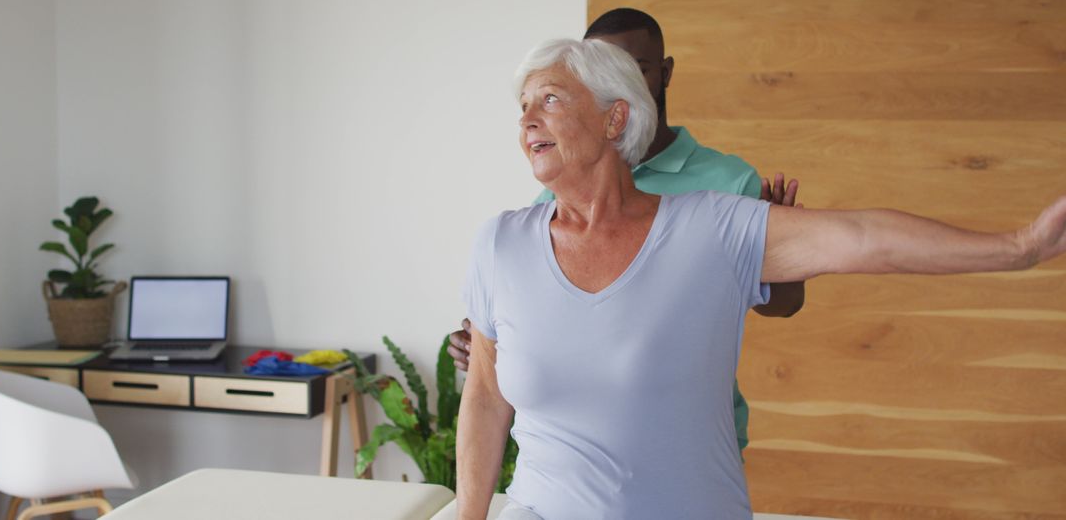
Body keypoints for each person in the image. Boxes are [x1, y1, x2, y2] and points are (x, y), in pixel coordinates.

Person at [456, 38, 1066, 519]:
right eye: (524, 108)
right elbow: (485, 395)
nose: (528, 120)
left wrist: (1020, 247)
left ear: (616, 119)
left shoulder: (709, 229)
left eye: (551, 99)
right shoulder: (501, 245)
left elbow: (860, 237)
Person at [448, 8, 805, 456]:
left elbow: (784, 303)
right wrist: (486, 345)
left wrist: (783, 252)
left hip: (692, 440)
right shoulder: (555, 198)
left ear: (665, 72)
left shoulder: (729, 182)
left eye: (635, 67)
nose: (620, 78)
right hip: (584, 447)